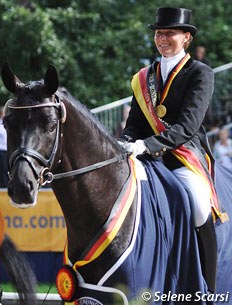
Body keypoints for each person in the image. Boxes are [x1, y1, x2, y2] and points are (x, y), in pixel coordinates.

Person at [119, 7, 220, 293]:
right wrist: (126, 140)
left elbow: (187, 126)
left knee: (200, 206)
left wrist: (148, 145)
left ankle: (208, 286)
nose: (162, 39)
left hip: (183, 154)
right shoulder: (143, 77)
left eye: (169, 33)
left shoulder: (201, 73)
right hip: (144, 153)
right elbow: (135, 123)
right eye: (158, 34)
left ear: (186, 37)